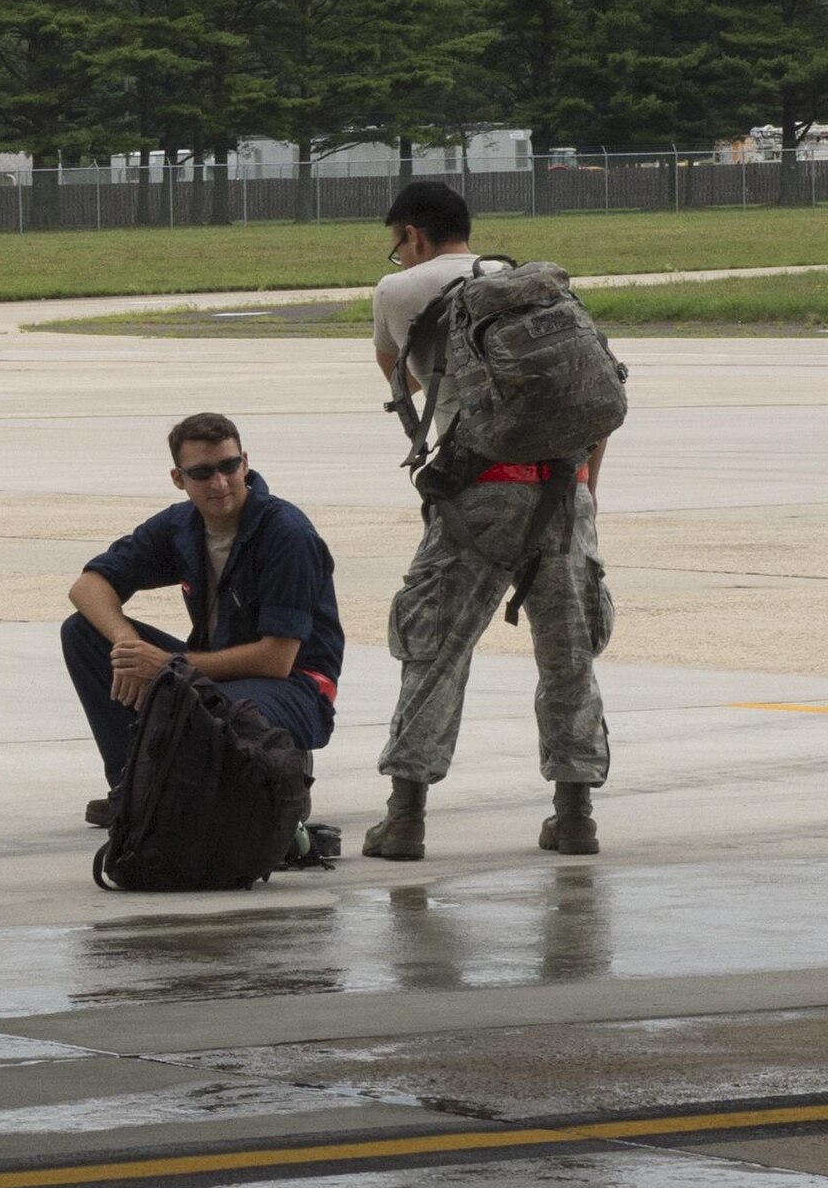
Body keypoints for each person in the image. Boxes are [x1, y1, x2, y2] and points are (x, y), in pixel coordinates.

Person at [367, 181, 612, 860]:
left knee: (433, 647)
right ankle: (574, 814)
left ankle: (405, 817)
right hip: (564, 487)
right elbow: (594, 395)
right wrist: (587, 490)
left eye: (396, 244)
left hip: (480, 489)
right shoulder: (531, 285)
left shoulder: (400, 292)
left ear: (412, 235)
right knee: (568, 656)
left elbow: (399, 378)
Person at [62, 413, 343, 827]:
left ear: (245, 462)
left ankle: (284, 776)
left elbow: (276, 658)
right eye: (202, 472)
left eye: (229, 466)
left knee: (225, 708)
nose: (220, 483)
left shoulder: (286, 533)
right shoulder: (181, 526)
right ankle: (135, 787)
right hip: (215, 674)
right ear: (179, 478)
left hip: (295, 686)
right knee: (83, 633)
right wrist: (128, 647)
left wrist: (167, 666)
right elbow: (87, 586)